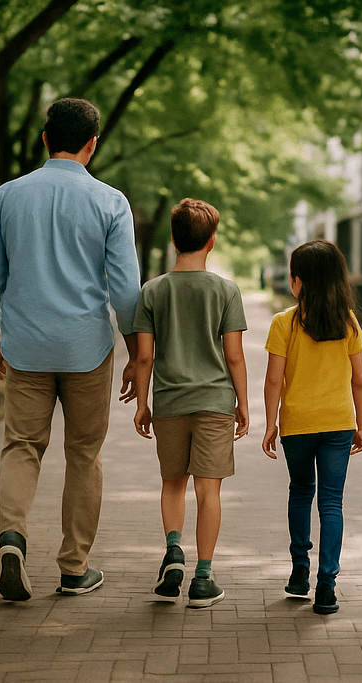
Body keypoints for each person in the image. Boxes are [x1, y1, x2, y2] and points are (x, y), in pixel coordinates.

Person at [0, 97, 142, 601]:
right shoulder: (111, 202)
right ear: (92, 145)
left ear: (45, 139)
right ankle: (73, 568)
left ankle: (12, 539)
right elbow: (127, 290)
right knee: (84, 454)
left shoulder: (7, 196)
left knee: (22, 446)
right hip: (87, 348)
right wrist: (137, 351)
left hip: (25, 347)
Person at [132, 198, 249, 609]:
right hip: (215, 401)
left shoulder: (152, 291)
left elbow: (144, 356)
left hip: (168, 401)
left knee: (172, 482)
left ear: (173, 239)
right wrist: (244, 402)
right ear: (212, 242)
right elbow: (234, 355)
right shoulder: (225, 290)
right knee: (208, 490)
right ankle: (203, 578)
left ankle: (174, 551)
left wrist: (142, 403)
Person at [262, 240, 362, 615]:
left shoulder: (284, 323)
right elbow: (360, 380)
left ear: (297, 282)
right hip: (338, 423)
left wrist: (270, 423)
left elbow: (273, 380)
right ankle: (327, 586)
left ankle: (299, 572)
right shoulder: (348, 322)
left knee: (300, 492)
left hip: (297, 425)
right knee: (331, 503)